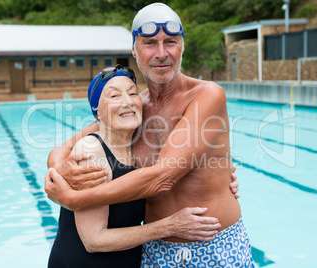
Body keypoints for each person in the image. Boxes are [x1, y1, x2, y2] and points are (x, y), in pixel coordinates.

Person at [45, 2, 254, 267]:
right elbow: (60, 150)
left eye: (170, 42)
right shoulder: (134, 109)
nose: (161, 53)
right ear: (134, 49)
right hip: (155, 251)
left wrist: (72, 198)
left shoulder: (206, 94)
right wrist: (60, 171)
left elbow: (164, 175)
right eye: (150, 43)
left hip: (215, 247)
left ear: (182, 46)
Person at [48, 65, 221, 268]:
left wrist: (221, 175)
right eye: (114, 96)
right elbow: (94, 240)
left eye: (133, 93)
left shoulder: (137, 145)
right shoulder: (91, 151)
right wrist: (169, 226)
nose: (127, 101)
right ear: (97, 111)